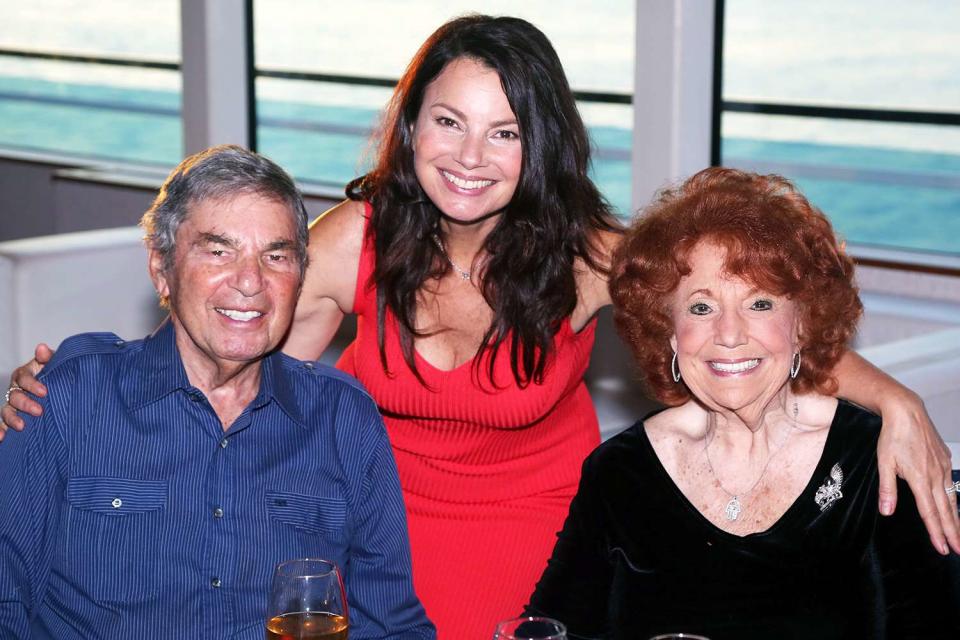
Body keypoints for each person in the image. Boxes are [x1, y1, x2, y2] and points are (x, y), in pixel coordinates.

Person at [1, 14, 957, 639]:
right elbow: (244, 388)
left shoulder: (585, 255)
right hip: (378, 556)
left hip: (548, 558)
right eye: (448, 123)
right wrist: (74, 391)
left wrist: (890, 397)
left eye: (505, 132)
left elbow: (734, 316)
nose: (471, 156)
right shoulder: (351, 243)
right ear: (410, 126)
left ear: (539, 144)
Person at [0, 145, 434, 639]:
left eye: (276, 255)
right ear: (161, 268)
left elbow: (392, 626)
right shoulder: (69, 397)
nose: (250, 281)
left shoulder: (344, 418)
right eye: (218, 250)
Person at [526, 168, 960, 639]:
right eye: (701, 307)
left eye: (759, 304)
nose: (729, 335)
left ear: (802, 325)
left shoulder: (874, 463)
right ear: (670, 332)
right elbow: (552, 630)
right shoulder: (619, 474)